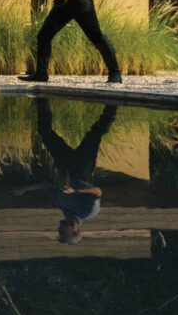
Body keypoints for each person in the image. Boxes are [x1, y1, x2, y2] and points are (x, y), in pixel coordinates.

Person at [12, 99, 118, 244]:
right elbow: (97, 191)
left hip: (64, 163)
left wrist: (25, 189)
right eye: (62, 232)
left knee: (45, 132)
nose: (58, 229)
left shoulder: (62, 207)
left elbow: (47, 185)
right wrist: (76, 191)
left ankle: (43, 98)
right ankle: (113, 103)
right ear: (75, 230)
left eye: (59, 232)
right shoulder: (88, 211)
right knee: (95, 133)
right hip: (82, 166)